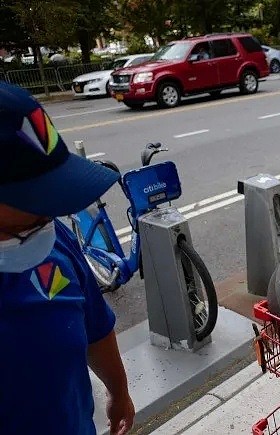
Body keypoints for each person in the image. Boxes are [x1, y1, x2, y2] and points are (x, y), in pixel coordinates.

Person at [0, 82, 135, 435]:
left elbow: (94, 325)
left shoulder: (53, 237)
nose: (49, 221)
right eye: (33, 211)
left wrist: (118, 391)